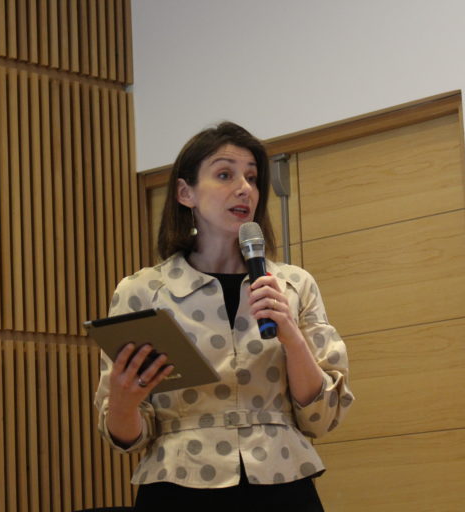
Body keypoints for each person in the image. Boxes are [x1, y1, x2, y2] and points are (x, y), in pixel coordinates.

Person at [93, 121, 353, 511]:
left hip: (282, 482)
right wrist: (124, 402)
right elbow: (126, 438)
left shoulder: (293, 284)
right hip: (179, 485)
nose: (245, 188)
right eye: (225, 174)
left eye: (252, 177)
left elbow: (321, 417)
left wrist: (292, 337)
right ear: (186, 193)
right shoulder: (143, 291)